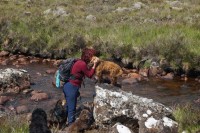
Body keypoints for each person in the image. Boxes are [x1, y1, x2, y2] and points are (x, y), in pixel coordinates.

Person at [63, 48, 99, 126]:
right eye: (91, 57)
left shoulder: (78, 61)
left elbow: (85, 71)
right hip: (72, 88)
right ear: (87, 57)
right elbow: (89, 75)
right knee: (72, 109)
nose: (92, 59)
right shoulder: (82, 64)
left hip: (67, 85)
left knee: (68, 106)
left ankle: (63, 124)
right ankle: (70, 127)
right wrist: (95, 64)